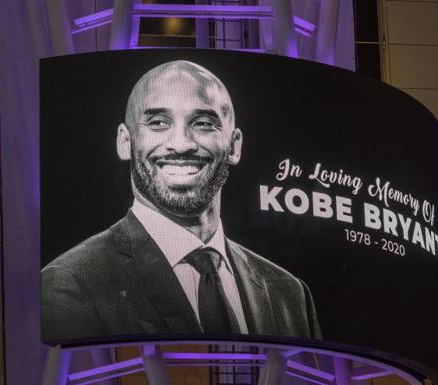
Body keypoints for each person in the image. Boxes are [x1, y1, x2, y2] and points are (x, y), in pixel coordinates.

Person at [41, 60, 321, 344]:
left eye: (203, 123)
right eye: (159, 123)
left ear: (235, 146)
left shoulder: (289, 293)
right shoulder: (69, 282)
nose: (182, 143)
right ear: (125, 142)